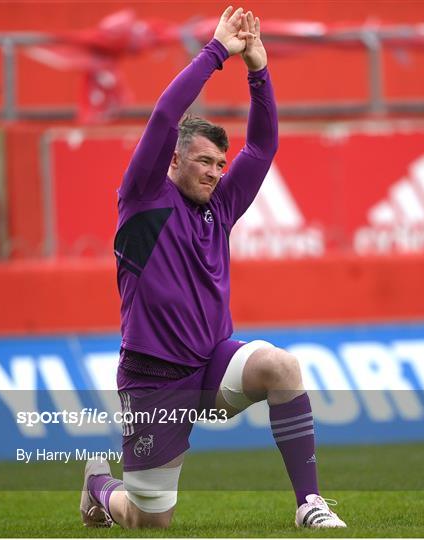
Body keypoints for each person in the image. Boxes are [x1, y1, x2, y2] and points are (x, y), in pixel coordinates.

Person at [80, 5, 346, 530]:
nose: (216, 173)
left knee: (282, 366)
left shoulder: (219, 206)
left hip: (212, 364)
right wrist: (216, 52)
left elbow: (264, 145)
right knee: (148, 519)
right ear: (173, 160)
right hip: (154, 379)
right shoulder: (142, 197)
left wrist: (258, 69)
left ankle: (310, 503)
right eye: (205, 162)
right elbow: (162, 117)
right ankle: (99, 486)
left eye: (221, 165)